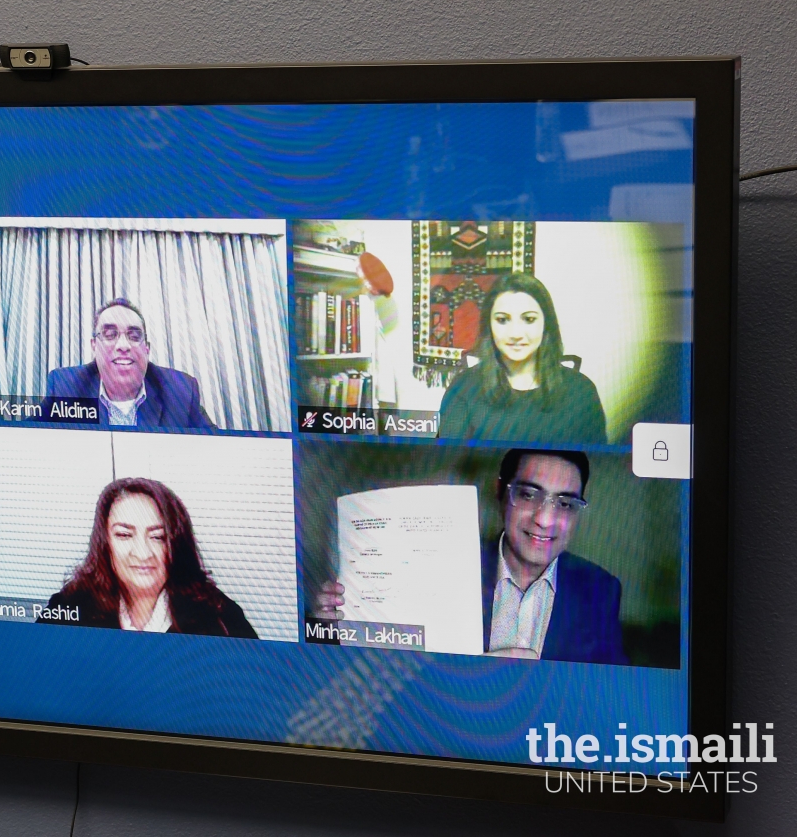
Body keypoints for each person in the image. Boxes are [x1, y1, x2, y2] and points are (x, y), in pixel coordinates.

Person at [314, 449, 626, 664]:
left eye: (565, 504)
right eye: (529, 495)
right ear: (501, 494)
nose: (544, 519)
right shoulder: (440, 560)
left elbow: (609, 693)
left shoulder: (601, 589)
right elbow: (388, 667)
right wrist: (334, 627)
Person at [39, 477, 257, 638]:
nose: (143, 553)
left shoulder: (221, 618)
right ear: (105, 543)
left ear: (176, 543)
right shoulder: (67, 608)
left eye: (158, 537)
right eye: (124, 535)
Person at [438, 273, 605, 444]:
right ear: (489, 325)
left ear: (546, 324)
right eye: (502, 320)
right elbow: (446, 464)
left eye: (529, 319)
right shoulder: (463, 388)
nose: (516, 334)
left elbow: (598, 466)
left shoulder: (581, 391)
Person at [46, 299, 215, 429]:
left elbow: (217, 449)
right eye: (110, 335)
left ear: (147, 349)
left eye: (134, 336)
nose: (123, 346)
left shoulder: (180, 390)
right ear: (94, 346)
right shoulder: (65, 387)